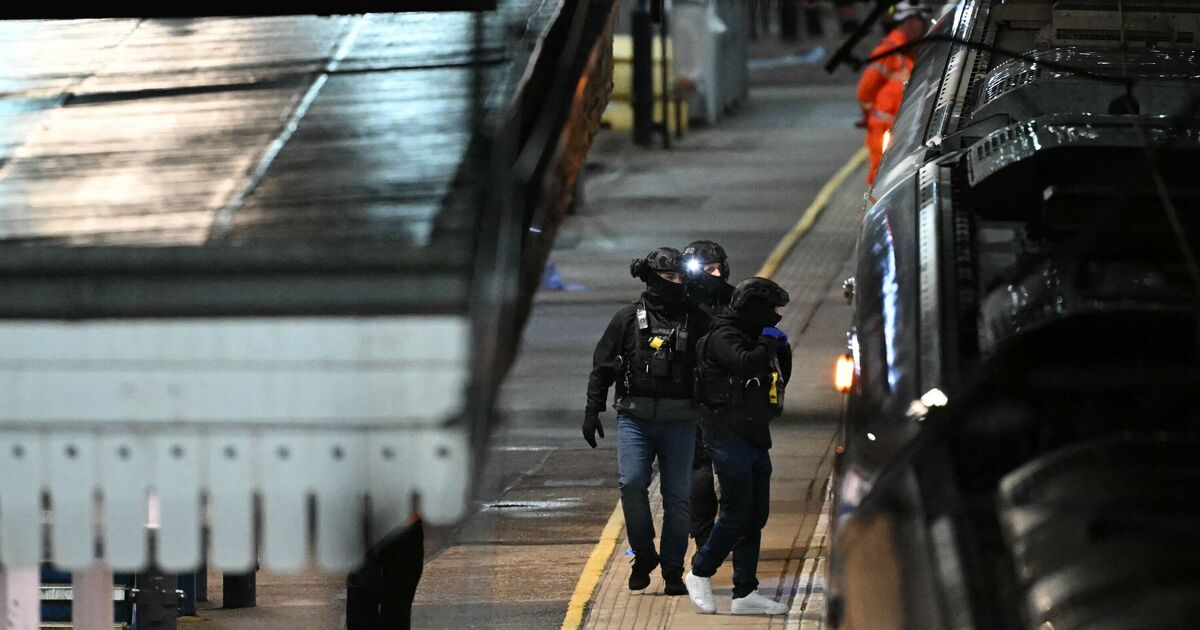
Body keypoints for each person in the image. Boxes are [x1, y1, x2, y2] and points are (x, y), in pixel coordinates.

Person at [584, 247, 708, 596]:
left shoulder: (696, 319)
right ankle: (643, 554)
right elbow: (602, 367)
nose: (676, 284)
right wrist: (592, 409)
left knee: (678, 497)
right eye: (670, 278)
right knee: (631, 483)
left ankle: (672, 570)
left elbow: (717, 359)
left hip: (681, 421)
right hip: (635, 420)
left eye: (681, 279)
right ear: (653, 279)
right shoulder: (626, 319)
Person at [684, 277, 792, 616]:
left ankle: (745, 591)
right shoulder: (723, 336)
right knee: (737, 511)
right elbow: (747, 363)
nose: (777, 316)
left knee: (756, 514)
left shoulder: (752, 335)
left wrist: (777, 346)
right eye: (773, 309)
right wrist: (768, 342)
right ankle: (700, 572)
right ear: (754, 307)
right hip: (726, 435)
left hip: (753, 432)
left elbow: (777, 374)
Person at [680, 240, 733, 548]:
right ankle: (704, 536)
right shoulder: (682, 307)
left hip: (729, 402)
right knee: (699, 471)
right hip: (696, 402)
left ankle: (725, 533)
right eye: (707, 270)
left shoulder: (736, 300)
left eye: (717, 269)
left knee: (731, 472)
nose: (714, 275)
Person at [856, 0, 930, 185]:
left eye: (916, 21)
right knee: (880, 178)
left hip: (902, 129)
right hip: (885, 130)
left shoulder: (915, 50)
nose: (914, 26)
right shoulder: (888, 51)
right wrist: (871, 119)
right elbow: (864, 91)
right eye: (909, 21)